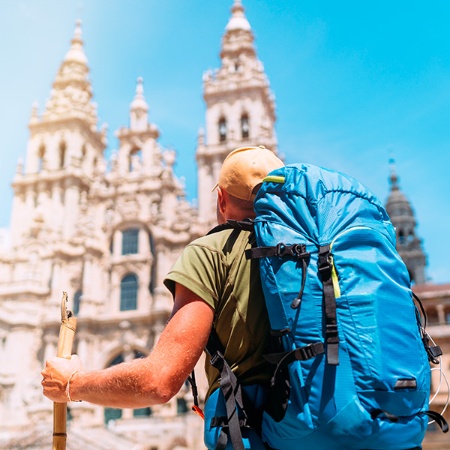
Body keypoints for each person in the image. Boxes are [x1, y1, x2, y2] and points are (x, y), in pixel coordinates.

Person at [41, 146, 284, 448]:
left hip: (253, 433)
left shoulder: (211, 252)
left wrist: (71, 383)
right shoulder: (311, 254)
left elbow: (158, 381)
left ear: (220, 199)